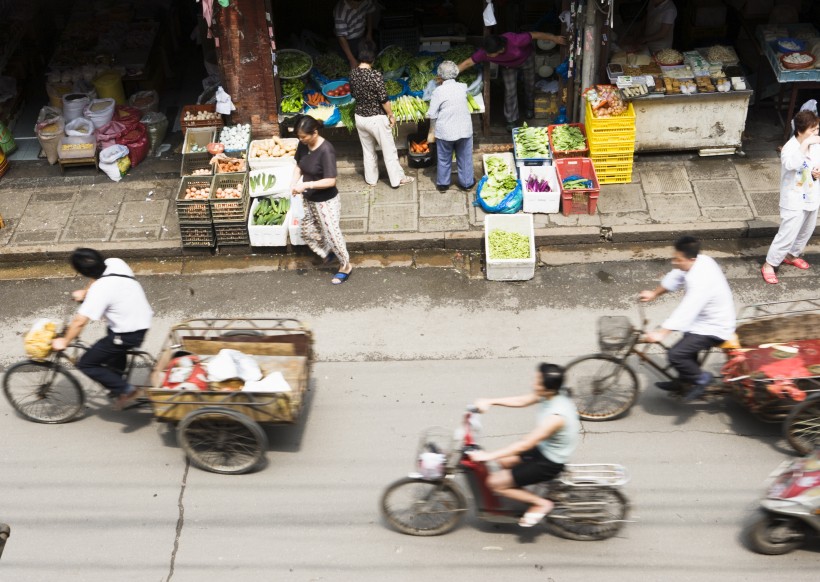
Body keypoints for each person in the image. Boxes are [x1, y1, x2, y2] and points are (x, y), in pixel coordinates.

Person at [468, 363, 580, 528]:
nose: (533, 385)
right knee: (504, 461)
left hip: (548, 462)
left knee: (494, 483)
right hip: (544, 449)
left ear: (548, 389)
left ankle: (541, 503)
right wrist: (490, 401)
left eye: (537, 382)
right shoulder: (553, 393)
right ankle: (519, 489)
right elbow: (522, 400)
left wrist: (487, 455)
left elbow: (525, 444)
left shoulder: (556, 417)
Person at [51, 248, 153, 410]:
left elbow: (79, 322)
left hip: (128, 332)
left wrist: (64, 340)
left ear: (82, 272)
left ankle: (127, 390)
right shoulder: (115, 263)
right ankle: (116, 383)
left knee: (87, 363)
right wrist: (86, 291)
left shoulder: (101, 290)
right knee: (112, 348)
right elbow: (95, 279)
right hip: (140, 318)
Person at [639, 236, 736, 402]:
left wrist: (661, 333)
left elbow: (687, 310)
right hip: (702, 320)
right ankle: (685, 381)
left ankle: (702, 379)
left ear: (691, 259)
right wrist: (654, 294)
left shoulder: (700, 280)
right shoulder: (699, 261)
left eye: (678, 259)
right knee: (686, 345)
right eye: (674, 257)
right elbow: (675, 276)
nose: (674, 262)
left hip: (715, 326)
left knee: (676, 355)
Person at [457, 31, 566, 130]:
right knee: (510, 91)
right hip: (508, 66)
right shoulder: (485, 52)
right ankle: (511, 120)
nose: (487, 55)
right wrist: (450, 74)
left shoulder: (515, 40)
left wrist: (554, 38)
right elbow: (468, 62)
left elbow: (534, 35)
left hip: (526, 59)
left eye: (490, 54)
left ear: (500, 49)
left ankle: (530, 108)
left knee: (530, 85)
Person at [290, 115, 353, 285]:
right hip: (309, 199)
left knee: (333, 234)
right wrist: (294, 183)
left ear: (315, 132)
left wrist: (307, 185)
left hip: (326, 201)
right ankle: (330, 253)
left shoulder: (326, 150)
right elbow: (298, 165)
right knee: (308, 231)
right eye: (299, 136)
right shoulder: (303, 145)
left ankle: (345, 266)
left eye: (304, 136)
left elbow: (331, 180)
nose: (301, 139)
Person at [761, 110, 820, 285]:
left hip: (812, 195)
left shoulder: (816, 146)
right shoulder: (790, 147)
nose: (816, 133)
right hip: (793, 198)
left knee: (806, 230)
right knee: (787, 233)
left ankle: (792, 255)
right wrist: (806, 144)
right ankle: (769, 264)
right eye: (813, 129)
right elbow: (791, 164)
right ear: (801, 130)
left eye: (817, 129)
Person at [348, 40, 414, 189]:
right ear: (373, 58)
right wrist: (390, 115)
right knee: (389, 151)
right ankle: (397, 180)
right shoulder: (375, 75)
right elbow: (384, 99)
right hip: (376, 119)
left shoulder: (352, 74)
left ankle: (371, 180)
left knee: (368, 151)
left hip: (360, 118)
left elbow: (353, 93)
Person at [426, 60, 475, 193]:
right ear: (456, 74)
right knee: (465, 158)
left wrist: (432, 131)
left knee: (444, 158)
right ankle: (467, 184)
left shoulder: (438, 92)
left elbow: (432, 114)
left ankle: (443, 184)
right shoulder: (463, 87)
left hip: (445, 132)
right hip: (464, 130)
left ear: (439, 76)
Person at [334, 0, 377, 69]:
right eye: (352, 3)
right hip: (347, 41)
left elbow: (369, 13)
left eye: (359, 3)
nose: (356, 6)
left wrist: (369, 34)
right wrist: (351, 59)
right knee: (348, 65)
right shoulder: (341, 12)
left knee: (364, 61)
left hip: (361, 36)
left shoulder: (366, 1)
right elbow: (341, 37)